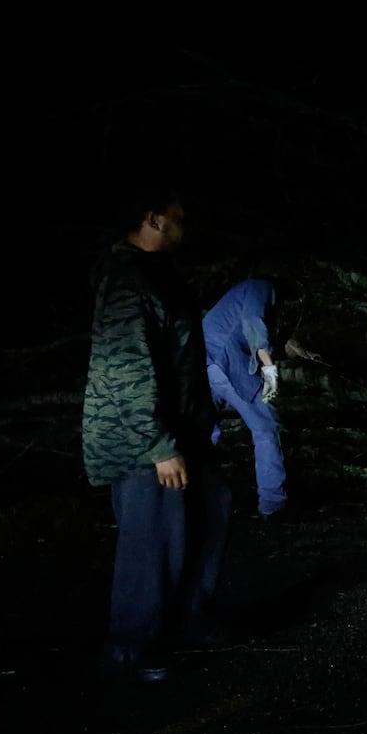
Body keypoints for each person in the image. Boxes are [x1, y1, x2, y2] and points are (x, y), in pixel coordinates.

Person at [81, 182, 232, 683]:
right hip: (143, 440)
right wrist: (157, 446)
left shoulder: (159, 272)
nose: (184, 226)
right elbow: (126, 368)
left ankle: (192, 619)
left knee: (212, 512)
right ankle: (129, 647)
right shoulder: (125, 278)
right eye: (177, 217)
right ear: (153, 219)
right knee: (152, 541)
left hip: (184, 430)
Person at [202, 277, 288, 519]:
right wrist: (269, 367)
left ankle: (194, 499)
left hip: (202, 362)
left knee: (204, 432)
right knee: (265, 427)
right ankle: (273, 503)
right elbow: (252, 321)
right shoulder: (259, 287)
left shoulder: (236, 293)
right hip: (226, 362)